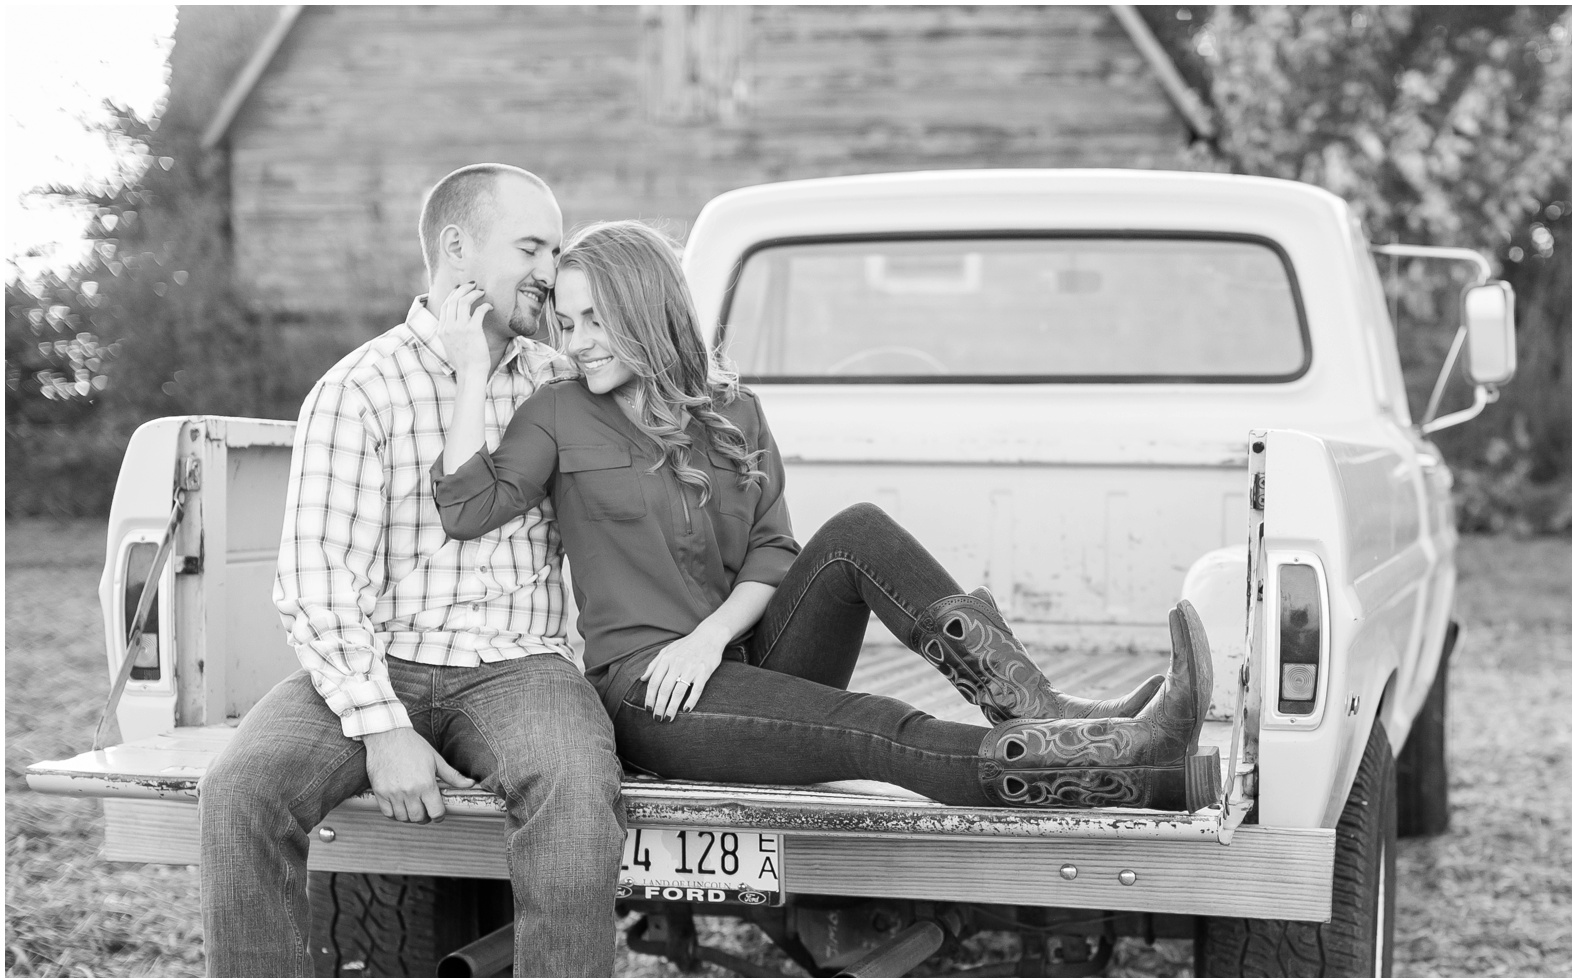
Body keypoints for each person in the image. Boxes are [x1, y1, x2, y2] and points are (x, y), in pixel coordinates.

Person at [178, 165, 624, 978]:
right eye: (532, 248)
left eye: (556, 250)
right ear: (458, 253)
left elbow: (672, 396)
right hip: (376, 658)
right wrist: (379, 726)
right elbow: (317, 578)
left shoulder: (563, 381)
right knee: (238, 793)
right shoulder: (359, 388)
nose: (551, 271)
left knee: (574, 789)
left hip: (520, 662)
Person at [433, 220, 1216, 813]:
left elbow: (775, 550)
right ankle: (1120, 767)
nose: (579, 343)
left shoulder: (731, 409)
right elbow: (467, 506)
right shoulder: (558, 412)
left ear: (646, 309)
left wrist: (711, 639)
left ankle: (1039, 710)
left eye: (596, 320)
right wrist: (473, 370)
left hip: (743, 657)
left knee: (858, 533)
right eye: (568, 324)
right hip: (655, 693)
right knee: (875, 725)